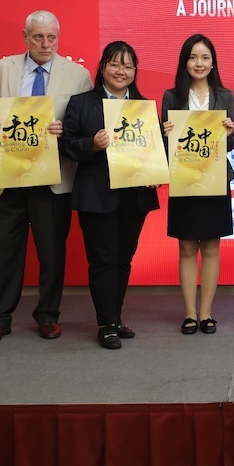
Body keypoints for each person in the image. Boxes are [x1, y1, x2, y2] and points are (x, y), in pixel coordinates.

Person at [0, 10, 92, 344]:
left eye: (51, 37)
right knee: (5, 251)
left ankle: (47, 315)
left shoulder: (78, 75)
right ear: (25, 37)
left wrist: (65, 128)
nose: (45, 44)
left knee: (52, 252)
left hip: (52, 177)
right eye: (38, 37)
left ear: (58, 38)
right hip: (7, 176)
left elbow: (84, 122)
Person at [61, 41, 160, 349]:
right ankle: (105, 324)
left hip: (134, 197)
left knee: (122, 260)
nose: (121, 71)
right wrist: (92, 144)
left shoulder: (143, 106)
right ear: (103, 67)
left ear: (135, 71)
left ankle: (115, 318)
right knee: (102, 260)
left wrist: (155, 174)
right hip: (97, 195)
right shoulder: (81, 103)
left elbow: (154, 151)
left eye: (128, 66)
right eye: (115, 64)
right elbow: (66, 144)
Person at [161, 35, 234, 335]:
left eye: (205, 57)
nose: (199, 63)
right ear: (185, 62)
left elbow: (230, 144)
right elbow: (166, 145)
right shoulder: (171, 97)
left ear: (213, 62)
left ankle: (206, 313)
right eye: (193, 57)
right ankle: (190, 313)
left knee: (212, 247)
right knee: (186, 247)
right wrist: (164, 132)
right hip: (185, 179)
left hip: (215, 179)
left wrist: (229, 134)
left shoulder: (225, 96)